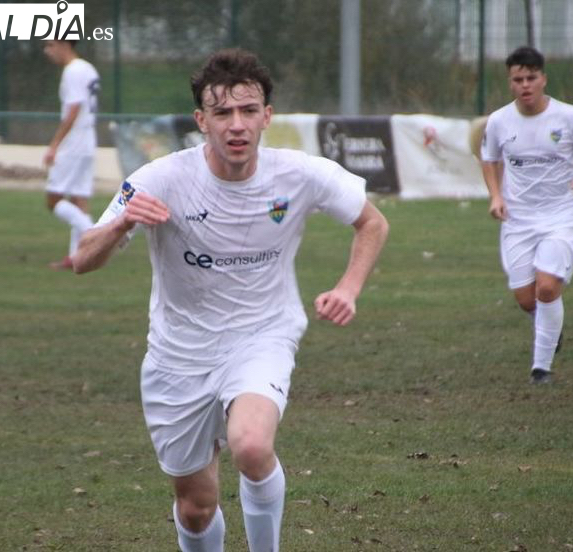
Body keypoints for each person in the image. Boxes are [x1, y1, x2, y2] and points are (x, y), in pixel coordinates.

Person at [72, 48, 389, 551]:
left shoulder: (300, 174)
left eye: (247, 111)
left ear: (267, 116)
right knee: (196, 509)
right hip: (178, 355)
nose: (236, 125)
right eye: (222, 113)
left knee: (251, 444)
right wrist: (124, 222)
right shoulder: (161, 179)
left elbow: (371, 222)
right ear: (202, 120)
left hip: (263, 335)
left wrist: (348, 288)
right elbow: (82, 257)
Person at [480, 46, 573, 384]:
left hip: (561, 214)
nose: (525, 85)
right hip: (518, 219)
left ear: (543, 79)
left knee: (547, 288)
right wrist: (495, 196)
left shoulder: (569, 116)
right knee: (526, 299)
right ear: (510, 82)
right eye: (517, 79)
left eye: (531, 78)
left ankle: (541, 368)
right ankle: (549, 324)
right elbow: (489, 159)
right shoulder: (499, 120)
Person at [42, 39, 100, 270]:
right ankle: (77, 258)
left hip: (74, 142)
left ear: (63, 43)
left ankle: (95, 234)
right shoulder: (88, 68)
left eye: (49, 45)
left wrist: (54, 144)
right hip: (88, 139)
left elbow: (73, 109)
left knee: (53, 200)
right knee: (79, 200)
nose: (47, 51)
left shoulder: (73, 70)